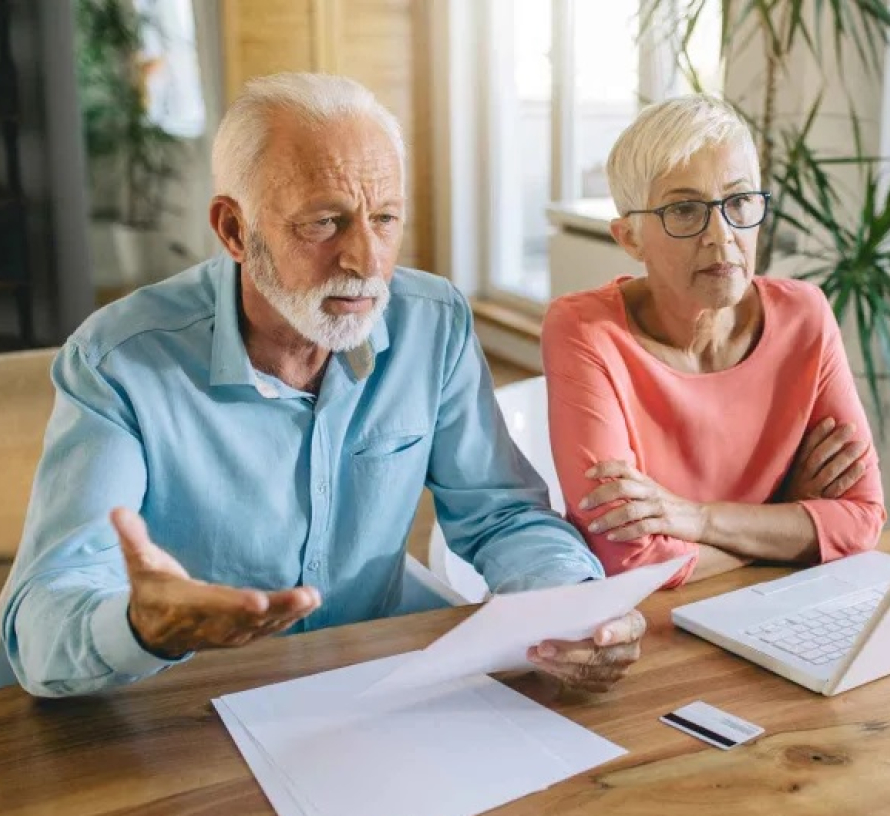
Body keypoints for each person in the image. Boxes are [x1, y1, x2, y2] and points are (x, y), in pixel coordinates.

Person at [1, 73, 644, 698]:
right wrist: (142, 628)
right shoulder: (117, 360)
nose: (366, 261)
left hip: (371, 677)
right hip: (180, 698)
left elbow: (501, 514)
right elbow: (41, 619)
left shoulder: (433, 323)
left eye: (385, 218)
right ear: (233, 229)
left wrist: (576, 608)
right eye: (324, 222)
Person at [542, 94, 886, 588]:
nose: (721, 235)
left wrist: (696, 520)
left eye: (740, 200)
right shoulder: (584, 332)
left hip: (779, 609)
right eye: (684, 209)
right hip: (648, 631)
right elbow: (628, 561)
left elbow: (860, 521)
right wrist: (782, 516)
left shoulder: (805, 316)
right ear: (630, 238)